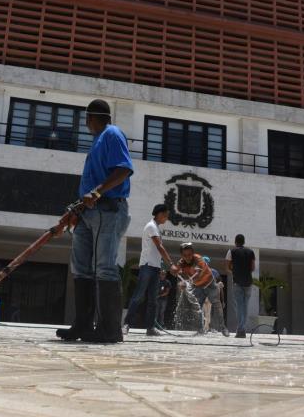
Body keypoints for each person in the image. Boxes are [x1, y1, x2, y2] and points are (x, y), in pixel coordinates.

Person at [56, 99, 133, 344]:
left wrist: (97, 192)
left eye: (86, 119)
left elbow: (123, 170)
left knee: (104, 267)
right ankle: (82, 325)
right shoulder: (97, 141)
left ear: (91, 117)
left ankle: (109, 330)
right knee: (81, 268)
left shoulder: (112, 134)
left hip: (107, 210)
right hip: (87, 213)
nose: (86, 123)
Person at [123, 204, 173, 336]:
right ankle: (126, 324)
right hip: (147, 266)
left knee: (153, 299)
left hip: (155, 267)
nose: (166, 218)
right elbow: (159, 247)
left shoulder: (156, 227)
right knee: (138, 296)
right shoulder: (151, 226)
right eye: (166, 215)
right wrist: (171, 264)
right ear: (159, 214)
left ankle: (150, 328)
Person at [172, 243, 228, 337]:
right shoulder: (181, 263)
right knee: (197, 307)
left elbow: (198, 273)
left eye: (189, 255)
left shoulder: (198, 258)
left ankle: (223, 327)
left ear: (193, 253)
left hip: (210, 284)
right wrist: (179, 280)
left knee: (217, 304)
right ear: (182, 255)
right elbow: (177, 273)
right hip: (198, 286)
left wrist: (187, 281)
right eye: (185, 255)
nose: (188, 258)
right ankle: (200, 329)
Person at [226, 234, 255, 338]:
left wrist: (234, 271)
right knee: (245, 306)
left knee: (239, 306)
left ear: (235, 242)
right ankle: (242, 328)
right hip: (248, 282)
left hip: (237, 282)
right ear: (244, 242)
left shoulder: (231, 251)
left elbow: (228, 267)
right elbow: (252, 268)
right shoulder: (251, 252)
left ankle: (241, 330)